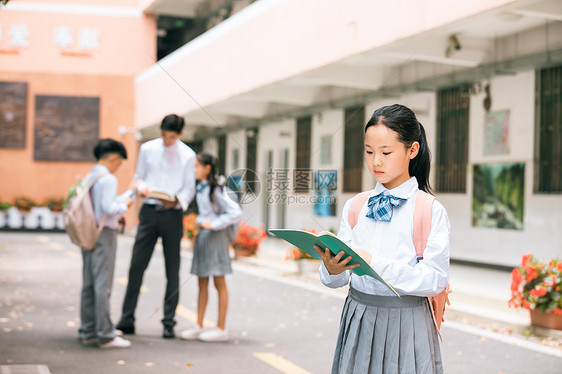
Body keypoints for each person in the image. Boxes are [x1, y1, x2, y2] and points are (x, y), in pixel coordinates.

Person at [315, 104, 450, 373]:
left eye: (386, 153)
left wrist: (374, 262)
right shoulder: (355, 206)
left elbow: (435, 279)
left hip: (407, 323)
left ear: (412, 150)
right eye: (369, 152)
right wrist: (331, 270)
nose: (376, 161)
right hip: (359, 317)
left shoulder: (429, 209)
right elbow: (340, 277)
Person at [116, 114, 196, 339]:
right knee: (136, 266)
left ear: (180, 134)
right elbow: (138, 177)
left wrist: (176, 200)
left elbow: (189, 188)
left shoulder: (188, 155)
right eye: (163, 135)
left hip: (172, 214)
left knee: (172, 270)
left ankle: (169, 322)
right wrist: (142, 187)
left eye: (171, 137)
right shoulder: (148, 149)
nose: (166, 140)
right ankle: (127, 318)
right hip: (149, 212)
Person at [79, 138, 134, 349]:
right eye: (119, 163)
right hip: (104, 234)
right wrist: (126, 203)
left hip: (88, 232)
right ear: (113, 157)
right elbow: (109, 207)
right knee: (103, 284)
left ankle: (89, 330)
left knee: (89, 283)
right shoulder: (108, 179)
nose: (118, 167)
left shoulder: (91, 176)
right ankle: (105, 334)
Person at [180, 153, 241, 342]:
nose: (194, 170)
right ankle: (199, 325)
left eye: (197, 166)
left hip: (215, 238)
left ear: (207, 168)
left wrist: (213, 223)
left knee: (219, 282)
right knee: (202, 281)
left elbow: (235, 212)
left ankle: (221, 328)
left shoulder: (217, 189)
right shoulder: (202, 187)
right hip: (205, 238)